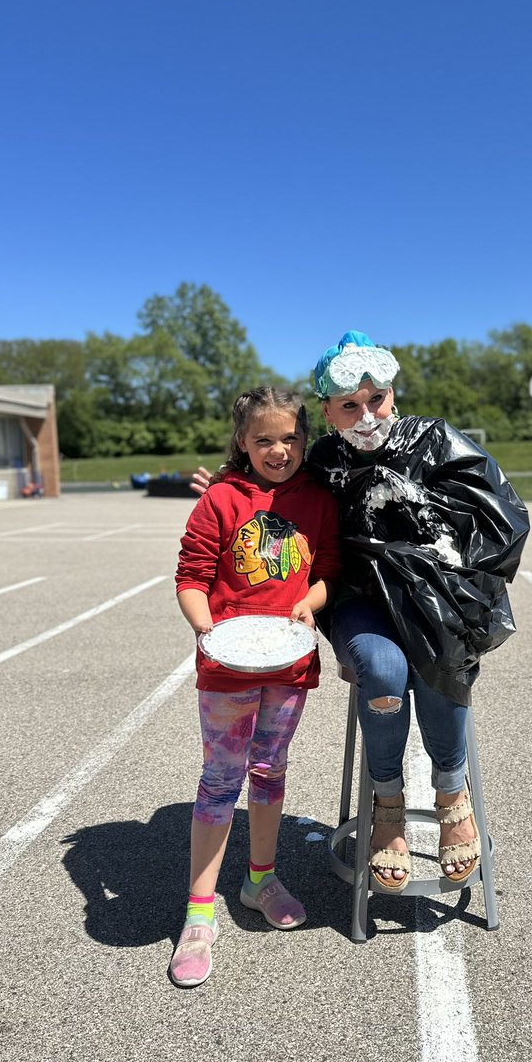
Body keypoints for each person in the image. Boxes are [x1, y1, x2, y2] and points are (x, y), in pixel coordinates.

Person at [193, 332, 529, 895]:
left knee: (438, 653)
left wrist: (454, 585)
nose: (366, 414)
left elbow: (503, 518)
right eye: (350, 405)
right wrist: (225, 486)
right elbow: (271, 487)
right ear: (326, 412)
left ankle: (451, 792)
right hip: (355, 599)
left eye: (377, 400)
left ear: (394, 395)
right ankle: (389, 801)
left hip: (436, 598)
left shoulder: (436, 440)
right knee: (383, 667)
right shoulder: (322, 457)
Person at [171, 386, 341, 989]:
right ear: (242, 442)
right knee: (221, 777)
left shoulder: (319, 499)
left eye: (290, 437)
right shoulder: (219, 499)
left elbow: (326, 572)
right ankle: (198, 911)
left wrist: (307, 604)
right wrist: (208, 631)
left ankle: (260, 879)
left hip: (288, 663)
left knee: (270, 769)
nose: (278, 449)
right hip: (228, 669)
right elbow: (190, 577)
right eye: (263, 439)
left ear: (306, 440)